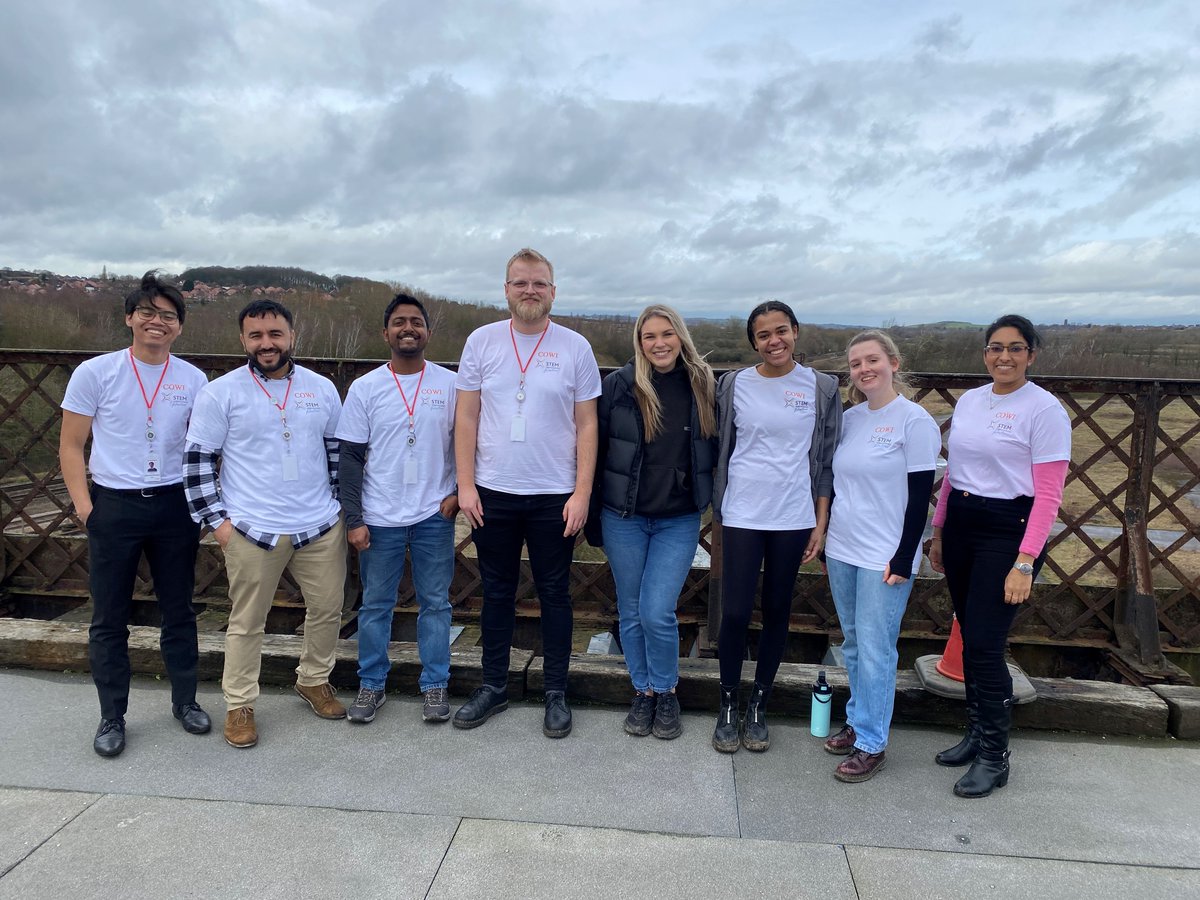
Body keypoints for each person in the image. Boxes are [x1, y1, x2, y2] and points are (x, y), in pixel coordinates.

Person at [60, 271, 210, 757]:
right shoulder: (95, 372)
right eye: (147, 312)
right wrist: (86, 509)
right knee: (108, 616)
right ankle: (111, 716)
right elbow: (71, 444)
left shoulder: (193, 379)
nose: (157, 322)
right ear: (129, 318)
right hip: (115, 503)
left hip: (173, 505)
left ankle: (185, 701)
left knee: (180, 610)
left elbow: (205, 447)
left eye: (168, 316)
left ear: (179, 327)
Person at [184, 299, 346, 749]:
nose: (266, 343)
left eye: (275, 334)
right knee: (247, 621)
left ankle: (313, 680)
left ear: (292, 336)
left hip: (318, 525)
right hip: (253, 528)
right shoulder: (222, 392)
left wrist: (339, 506)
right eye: (256, 336)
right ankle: (239, 704)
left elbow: (336, 452)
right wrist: (217, 522)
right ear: (243, 340)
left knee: (329, 609)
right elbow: (197, 461)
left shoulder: (322, 388)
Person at [453, 248, 601, 738]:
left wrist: (582, 493)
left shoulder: (576, 347)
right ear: (506, 289)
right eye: (521, 283)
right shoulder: (482, 341)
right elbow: (467, 416)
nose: (530, 291)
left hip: (554, 494)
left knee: (555, 594)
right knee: (495, 594)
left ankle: (555, 692)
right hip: (492, 492)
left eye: (539, 283)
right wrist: (466, 484)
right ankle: (493, 686)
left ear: (553, 291)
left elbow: (587, 424)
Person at [929, 314, 1071, 798]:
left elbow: (1049, 495)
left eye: (1014, 348)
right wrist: (940, 531)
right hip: (965, 522)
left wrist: (1026, 560)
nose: (1003, 357)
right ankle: (975, 733)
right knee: (971, 636)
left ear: (1031, 354)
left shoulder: (1045, 410)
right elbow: (953, 474)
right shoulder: (971, 400)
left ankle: (996, 755)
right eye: (995, 347)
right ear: (985, 353)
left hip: (1009, 531)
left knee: (987, 645)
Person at [711, 301, 841, 753]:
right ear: (754, 342)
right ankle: (729, 702)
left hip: (794, 516)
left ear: (796, 332)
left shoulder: (822, 388)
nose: (774, 341)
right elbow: (721, 446)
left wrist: (821, 520)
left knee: (777, 612)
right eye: (764, 335)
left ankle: (758, 705)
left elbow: (826, 460)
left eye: (781, 331)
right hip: (743, 512)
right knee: (733, 613)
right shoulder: (733, 385)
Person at [587, 305, 718, 740]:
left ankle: (666, 690)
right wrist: (590, 514)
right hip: (623, 516)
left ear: (680, 336)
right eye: (649, 336)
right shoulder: (619, 386)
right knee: (629, 610)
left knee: (656, 610)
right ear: (639, 342)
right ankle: (642, 692)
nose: (659, 343)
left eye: (667, 334)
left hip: (677, 519)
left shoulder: (703, 384)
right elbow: (597, 452)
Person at [822, 331, 940, 781]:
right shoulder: (851, 419)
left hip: (884, 555)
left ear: (893, 362)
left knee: (877, 648)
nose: (863, 369)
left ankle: (873, 742)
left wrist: (906, 555)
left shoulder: (914, 422)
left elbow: (918, 498)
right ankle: (857, 721)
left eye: (872, 359)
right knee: (852, 641)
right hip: (844, 547)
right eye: (855, 363)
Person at [337, 293, 459, 724]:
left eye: (416, 322)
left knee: (437, 604)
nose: (408, 329)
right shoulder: (366, 388)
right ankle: (372, 685)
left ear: (428, 331)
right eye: (399, 323)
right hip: (380, 515)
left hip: (433, 515)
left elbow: (471, 443)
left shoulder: (450, 384)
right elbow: (349, 458)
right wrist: (354, 517)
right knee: (374, 605)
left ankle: (435, 684)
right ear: (385, 332)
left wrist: (460, 491)